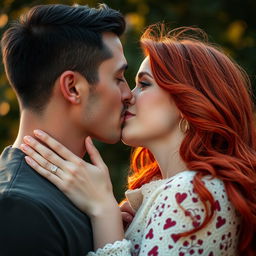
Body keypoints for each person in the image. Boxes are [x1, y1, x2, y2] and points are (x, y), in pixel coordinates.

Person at [20, 25, 256, 255]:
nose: (127, 96)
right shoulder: (167, 194)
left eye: (143, 84)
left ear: (188, 102)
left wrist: (103, 211)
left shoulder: (194, 194)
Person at [0, 3, 133, 256]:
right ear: (73, 87)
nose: (128, 94)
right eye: (118, 78)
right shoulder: (18, 207)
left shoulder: (83, 195)